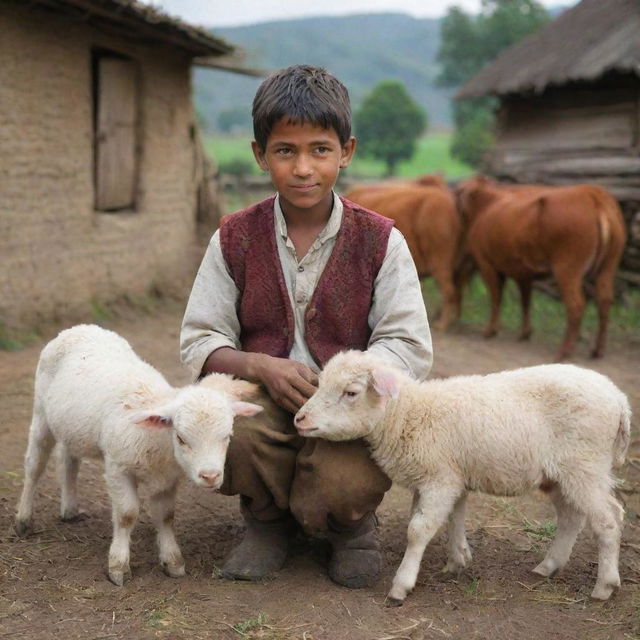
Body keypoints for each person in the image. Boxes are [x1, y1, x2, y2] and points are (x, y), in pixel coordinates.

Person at [180, 64, 432, 589]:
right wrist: (259, 366)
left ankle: (350, 526)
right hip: (265, 399)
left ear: (347, 151)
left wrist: (343, 385)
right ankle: (266, 520)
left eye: (320, 149)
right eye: (284, 151)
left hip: (351, 407)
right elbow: (201, 340)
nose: (302, 168)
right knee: (236, 431)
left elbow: (408, 344)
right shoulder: (234, 237)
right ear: (259, 154)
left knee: (348, 475)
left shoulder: (381, 240)